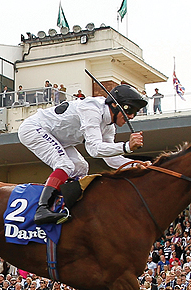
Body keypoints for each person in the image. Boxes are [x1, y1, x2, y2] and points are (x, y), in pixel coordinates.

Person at [18, 84, 147, 224]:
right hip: (34, 129)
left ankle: (61, 204)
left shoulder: (109, 126)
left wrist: (136, 165)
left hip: (58, 138)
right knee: (65, 165)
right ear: (115, 105)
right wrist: (127, 146)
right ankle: (42, 209)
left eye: (135, 112)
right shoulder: (92, 109)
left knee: (81, 167)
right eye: (130, 110)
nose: (132, 116)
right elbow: (94, 149)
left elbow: (111, 158)